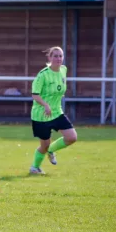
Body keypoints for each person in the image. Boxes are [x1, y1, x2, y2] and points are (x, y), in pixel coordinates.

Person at [29, 46, 78, 175]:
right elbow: (35, 94)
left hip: (57, 112)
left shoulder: (63, 70)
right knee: (44, 146)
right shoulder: (43, 75)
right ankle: (35, 167)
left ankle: (51, 150)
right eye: (55, 56)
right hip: (41, 115)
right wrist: (45, 104)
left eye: (60, 56)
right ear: (49, 58)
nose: (58, 58)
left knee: (72, 137)